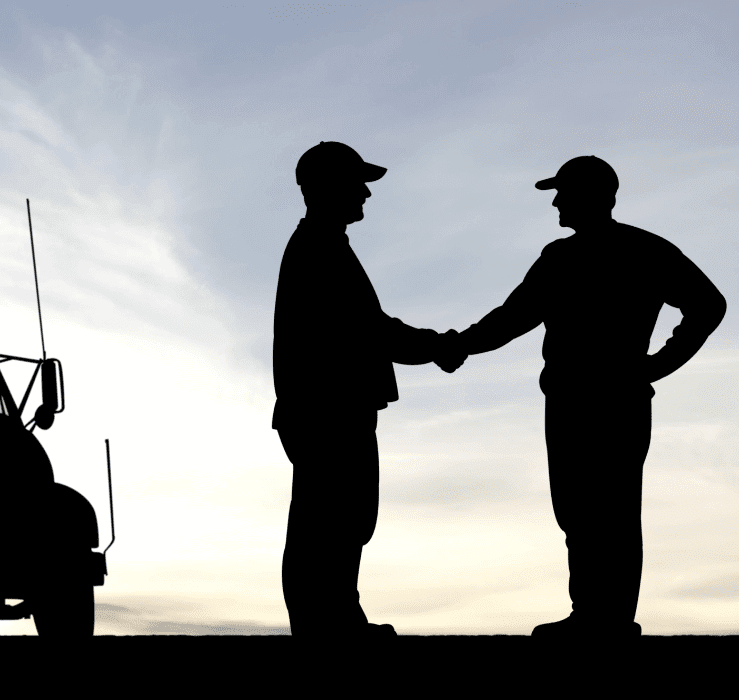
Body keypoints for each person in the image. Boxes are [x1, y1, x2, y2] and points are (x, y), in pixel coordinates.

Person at [442, 155, 727, 637]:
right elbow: (513, 317)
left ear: (593, 195)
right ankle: (593, 614)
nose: (555, 201)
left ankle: (607, 619)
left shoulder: (614, 253)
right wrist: (461, 343)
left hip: (608, 401)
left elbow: (709, 305)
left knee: (608, 509)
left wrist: (658, 363)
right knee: (581, 509)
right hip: (581, 401)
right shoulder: (577, 256)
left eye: (563, 192)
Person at [273, 141, 467, 639]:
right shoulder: (319, 249)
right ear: (328, 187)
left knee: (342, 517)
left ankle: (337, 616)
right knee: (330, 518)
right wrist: (439, 346)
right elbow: (371, 330)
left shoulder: (326, 246)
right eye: (357, 182)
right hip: (328, 410)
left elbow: (370, 328)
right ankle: (327, 624)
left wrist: (432, 345)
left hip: (333, 407)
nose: (365, 193)